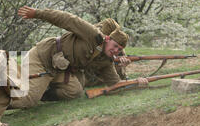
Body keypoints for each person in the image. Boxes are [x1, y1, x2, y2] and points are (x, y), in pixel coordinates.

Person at [10, 6, 147, 108]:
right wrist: (37, 13)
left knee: (75, 91)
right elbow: (66, 18)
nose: (116, 51)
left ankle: (42, 93)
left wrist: (137, 82)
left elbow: (115, 84)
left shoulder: (106, 61)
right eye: (115, 46)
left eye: (120, 50)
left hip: (61, 69)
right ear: (107, 39)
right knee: (29, 100)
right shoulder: (92, 34)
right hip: (42, 57)